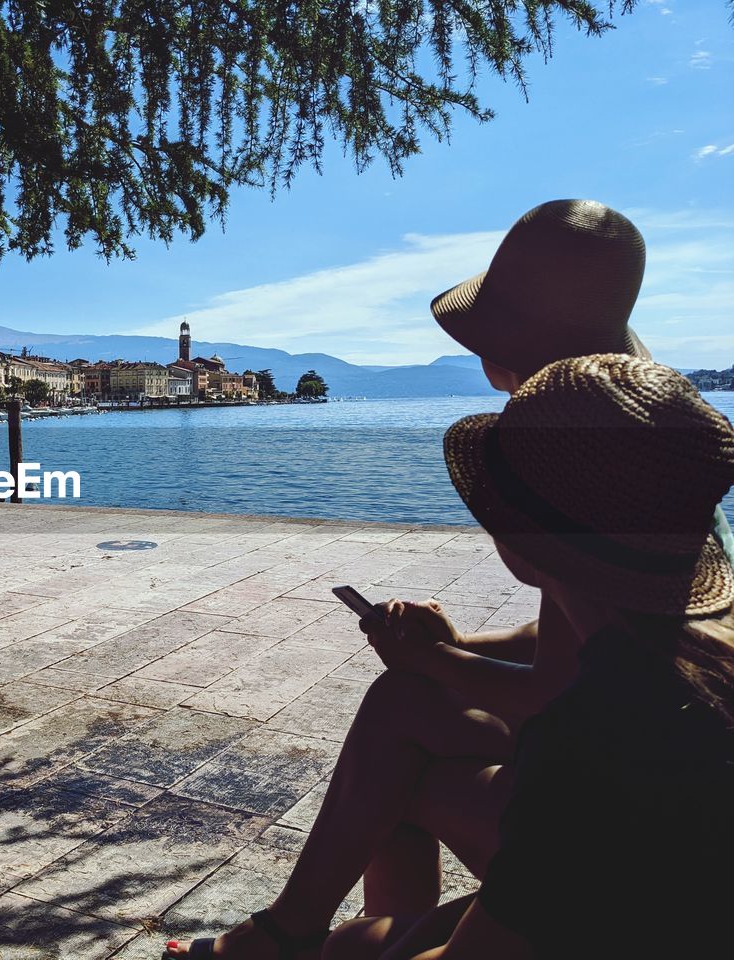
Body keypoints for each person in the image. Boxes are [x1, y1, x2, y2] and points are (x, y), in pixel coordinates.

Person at [162, 201, 732, 959]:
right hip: (672, 819)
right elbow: (586, 644)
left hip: (640, 867)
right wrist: (459, 645)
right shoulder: (653, 458)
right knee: (403, 716)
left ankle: (309, 937)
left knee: (396, 757)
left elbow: (562, 696)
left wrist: (433, 660)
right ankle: (333, 935)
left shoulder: (577, 464)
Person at [321, 354, 734, 958]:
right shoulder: (689, 657)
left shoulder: (589, 737)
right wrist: (448, 650)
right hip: (668, 901)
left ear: (516, 540)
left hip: (637, 915)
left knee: (350, 950)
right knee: (362, 938)